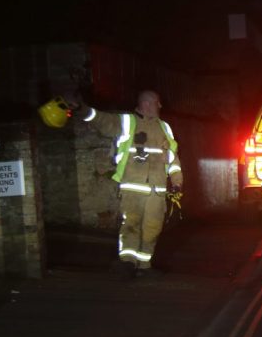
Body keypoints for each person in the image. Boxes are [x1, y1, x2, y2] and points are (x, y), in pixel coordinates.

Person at [76, 90, 183, 278]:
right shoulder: (127, 122)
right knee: (131, 225)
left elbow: (172, 157)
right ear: (148, 103)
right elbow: (101, 120)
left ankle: (144, 266)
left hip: (156, 191)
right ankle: (127, 263)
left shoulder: (165, 127)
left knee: (153, 228)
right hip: (132, 187)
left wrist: (177, 181)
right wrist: (81, 109)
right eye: (157, 103)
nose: (160, 106)